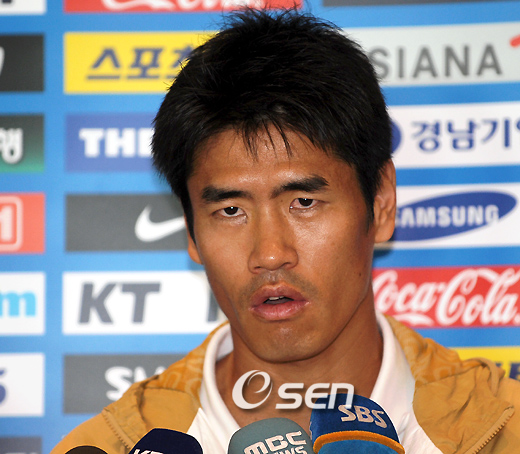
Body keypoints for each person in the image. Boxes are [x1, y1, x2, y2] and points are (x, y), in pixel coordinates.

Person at [51, 8, 520, 454]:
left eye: (304, 203)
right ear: (191, 230)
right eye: (231, 210)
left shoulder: (505, 428)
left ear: (380, 202)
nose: (270, 253)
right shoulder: (110, 444)